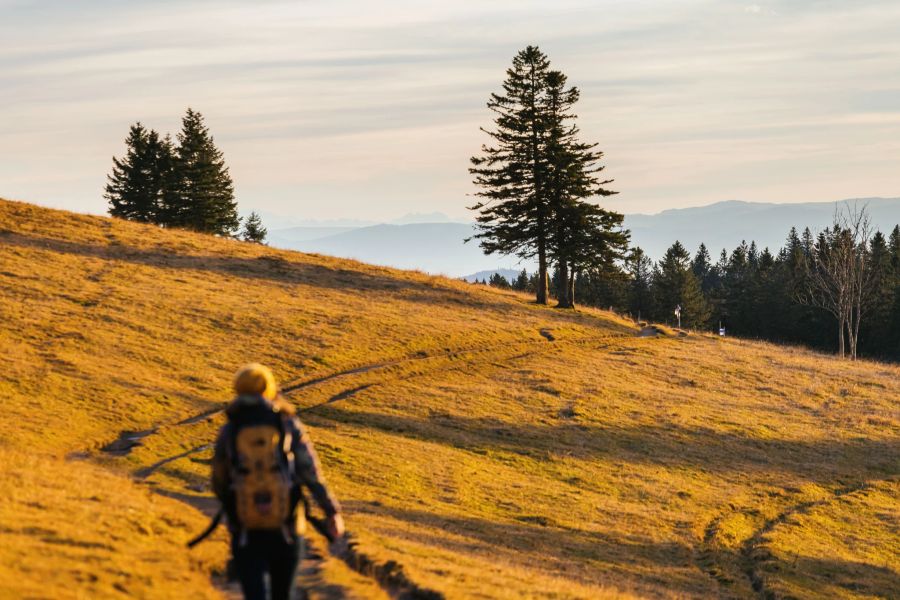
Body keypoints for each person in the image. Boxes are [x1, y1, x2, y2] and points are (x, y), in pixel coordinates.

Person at [212, 363, 345, 600]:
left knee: (254, 594)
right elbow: (310, 472)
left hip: (246, 528)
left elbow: (219, 480)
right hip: (287, 525)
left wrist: (235, 507)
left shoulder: (231, 428)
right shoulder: (287, 424)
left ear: (238, 389)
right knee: (282, 594)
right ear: (269, 389)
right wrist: (331, 510)